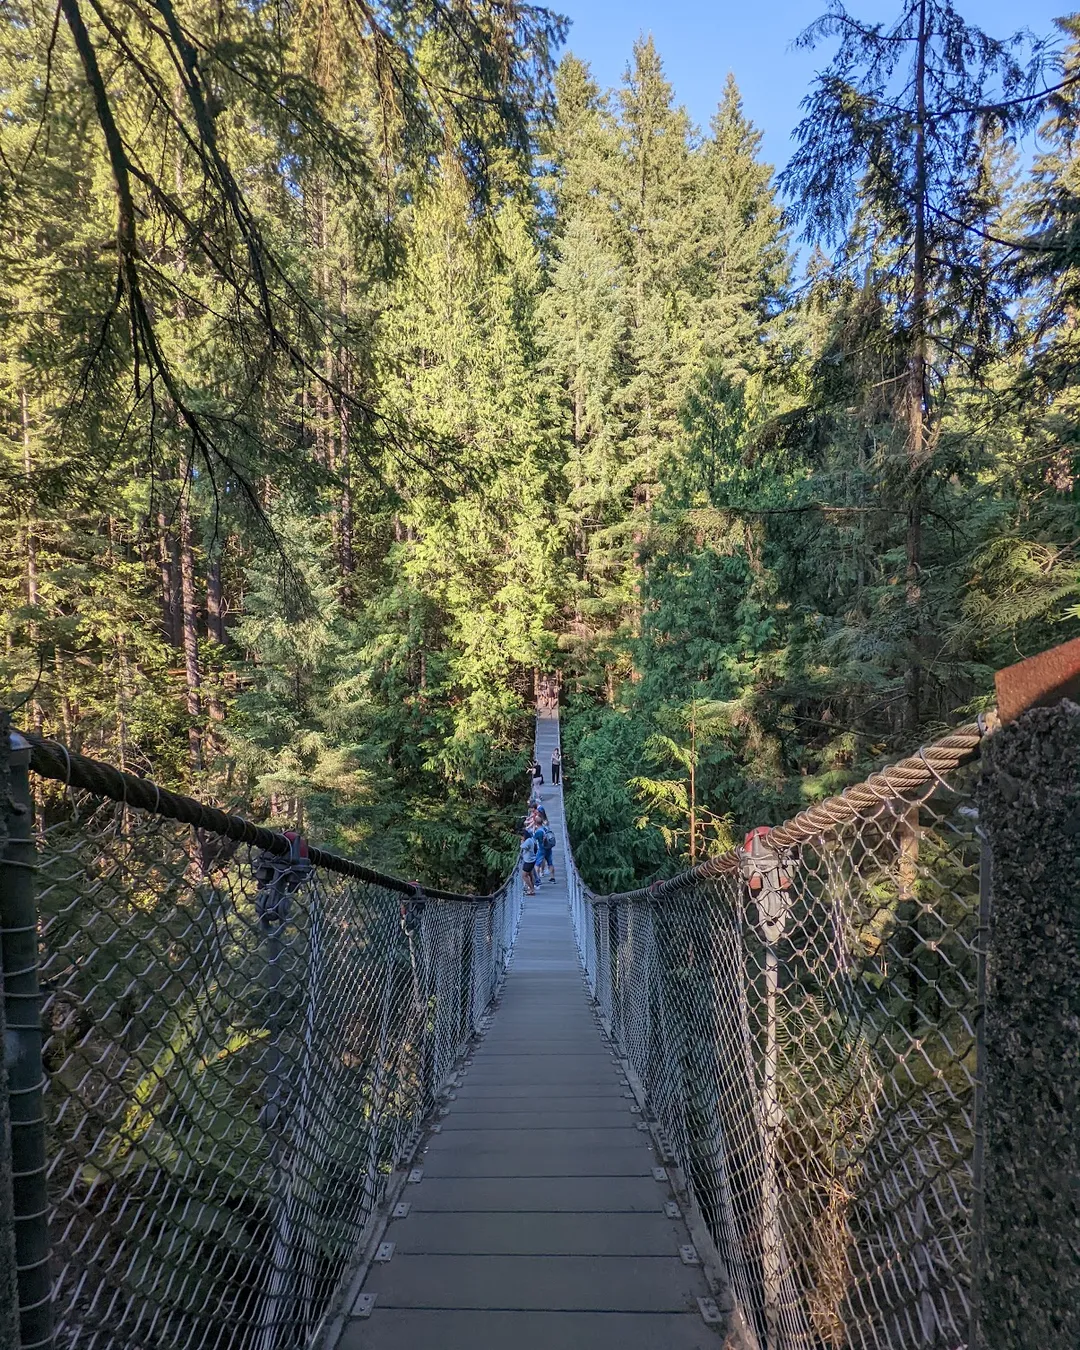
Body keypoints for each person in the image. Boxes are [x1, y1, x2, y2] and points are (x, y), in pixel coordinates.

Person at [519, 829, 538, 896]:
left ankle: (531, 889)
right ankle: (532, 889)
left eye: (521, 836)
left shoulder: (527, 841)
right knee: (530, 875)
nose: (521, 838)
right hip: (532, 859)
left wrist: (522, 842)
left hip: (528, 861)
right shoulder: (531, 839)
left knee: (524, 876)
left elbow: (522, 846)